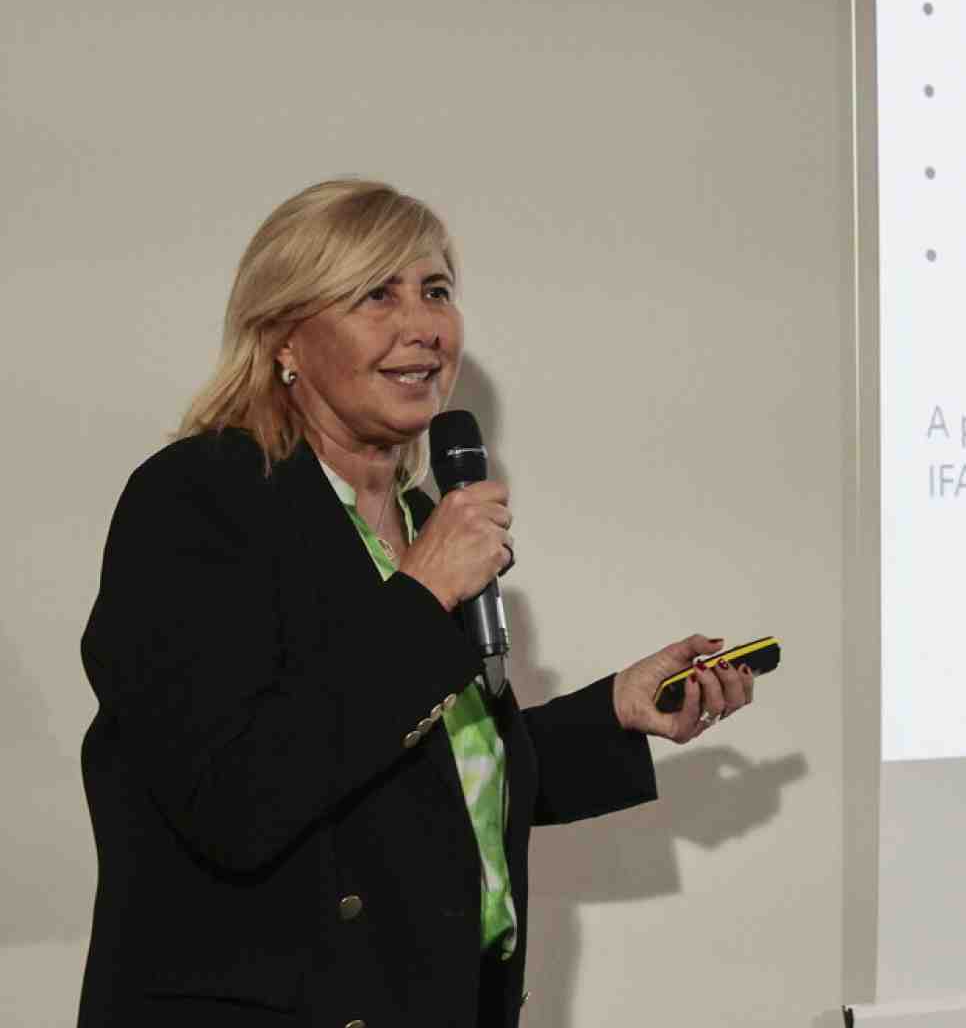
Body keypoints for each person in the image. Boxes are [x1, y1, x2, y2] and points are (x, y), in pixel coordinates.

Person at [77, 179, 753, 1028]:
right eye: (375, 294)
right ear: (285, 337)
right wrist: (425, 593)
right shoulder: (200, 497)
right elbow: (237, 795)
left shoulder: (419, 518)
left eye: (436, 290)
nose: (423, 325)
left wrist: (614, 712)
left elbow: (424, 784)